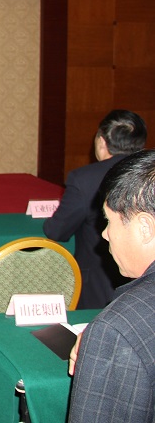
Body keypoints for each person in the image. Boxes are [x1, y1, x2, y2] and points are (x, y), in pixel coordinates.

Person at [68, 149, 155, 422]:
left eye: (108, 221)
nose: (104, 234)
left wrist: (107, 340)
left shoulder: (118, 329)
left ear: (145, 227)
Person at [44, 110, 147, 309]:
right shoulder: (149, 176)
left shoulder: (84, 178)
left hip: (97, 288)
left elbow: (56, 231)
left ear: (101, 141)